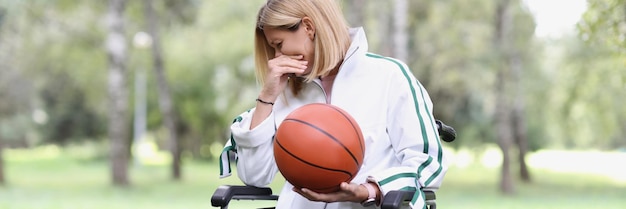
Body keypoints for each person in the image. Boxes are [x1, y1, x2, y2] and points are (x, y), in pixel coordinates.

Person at [219, 0, 448, 208]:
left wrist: (369, 190)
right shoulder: (282, 91)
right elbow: (254, 176)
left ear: (308, 27)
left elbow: (427, 164)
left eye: (279, 44)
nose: (277, 57)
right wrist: (267, 97)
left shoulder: (389, 76)